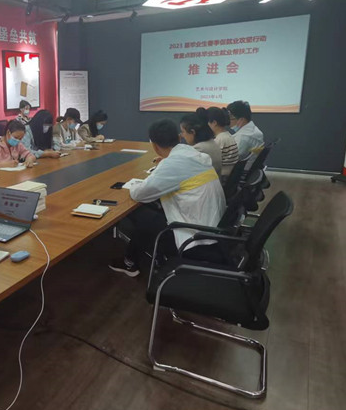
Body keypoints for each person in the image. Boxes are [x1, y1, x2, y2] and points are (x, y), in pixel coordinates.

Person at [109, 119, 226, 277]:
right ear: (179, 137)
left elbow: (138, 194)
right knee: (151, 208)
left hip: (194, 235)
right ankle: (144, 256)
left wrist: (135, 184)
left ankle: (131, 261)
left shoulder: (173, 164)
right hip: (213, 226)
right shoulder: (194, 154)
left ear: (154, 145)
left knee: (138, 212)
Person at [228, 100, 264, 165]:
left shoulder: (242, 138)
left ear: (242, 119)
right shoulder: (255, 130)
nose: (228, 122)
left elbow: (229, 159)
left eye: (230, 118)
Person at [207, 106, 239, 178]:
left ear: (214, 123)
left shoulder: (220, 140)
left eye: (207, 122)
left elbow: (210, 162)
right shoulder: (228, 135)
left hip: (221, 176)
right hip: (229, 176)